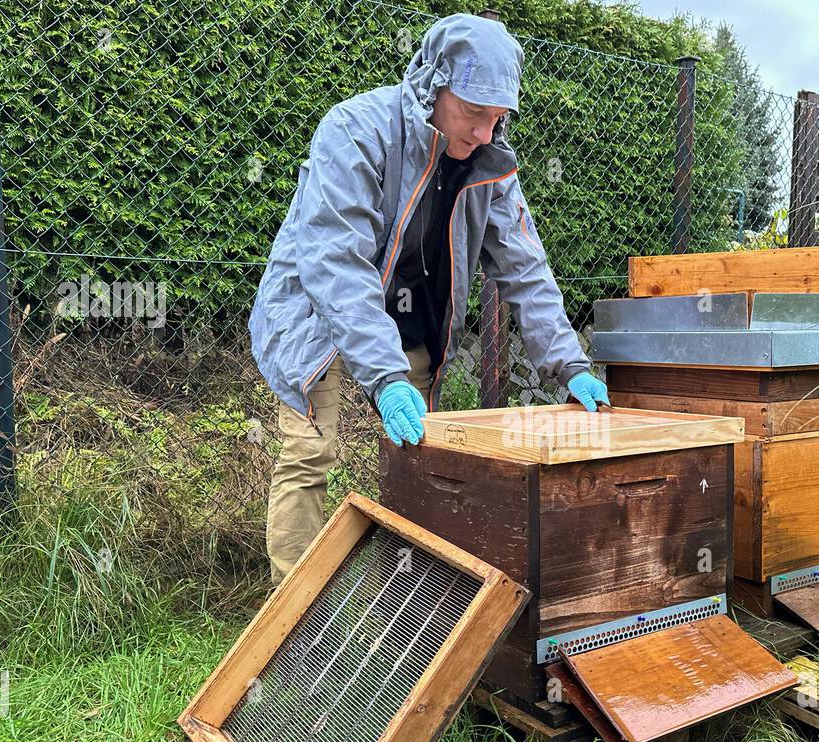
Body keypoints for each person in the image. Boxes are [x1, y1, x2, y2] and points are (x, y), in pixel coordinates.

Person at [249, 13, 609, 585]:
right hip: (315, 311)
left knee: (420, 454)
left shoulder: (492, 166)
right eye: (473, 113)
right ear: (432, 84)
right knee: (308, 454)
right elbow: (336, 264)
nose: (484, 134)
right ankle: (292, 618)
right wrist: (384, 375)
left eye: (498, 119)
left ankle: (408, 599)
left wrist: (569, 362)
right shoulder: (355, 130)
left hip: (412, 318)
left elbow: (526, 269)